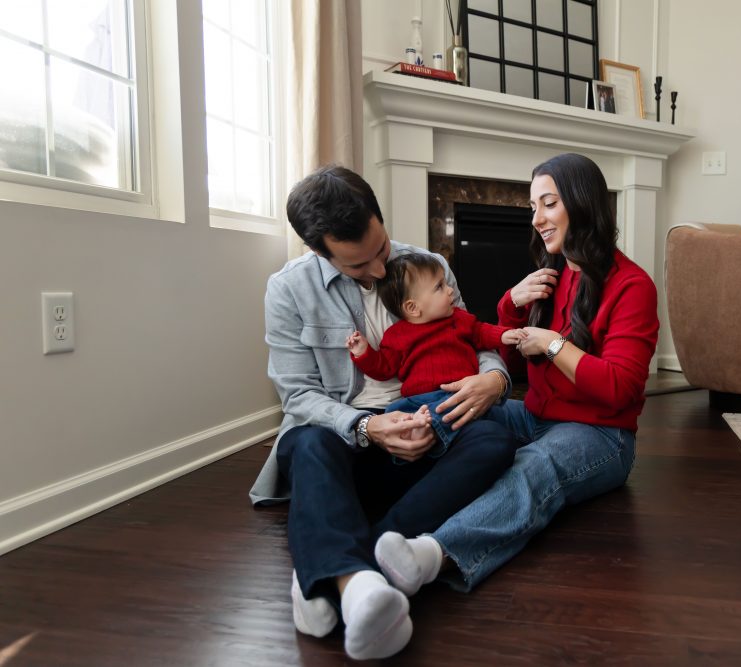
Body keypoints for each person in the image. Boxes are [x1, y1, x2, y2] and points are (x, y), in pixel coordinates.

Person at [249, 164, 517, 660]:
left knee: (496, 440)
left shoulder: (427, 265)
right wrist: (368, 427)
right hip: (347, 445)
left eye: (382, 250)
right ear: (319, 251)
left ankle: (344, 566)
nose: (378, 270)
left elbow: (474, 337)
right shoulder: (288, 290)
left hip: (427, 431)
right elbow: (298, 397)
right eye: (357, 265)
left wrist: (494, 378)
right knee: (306, 442)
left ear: (379, 216)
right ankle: (354, 582)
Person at [374, 152, 659, 597]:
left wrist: (550, 342)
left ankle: (431, 555)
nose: (537, 219)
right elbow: (507, 349)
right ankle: (381, 497)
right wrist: (510, 302)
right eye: (532, 208)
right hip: (534, 414)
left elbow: (620, 388)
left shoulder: (633, 286)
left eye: (548, 204)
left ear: (582, 205)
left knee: (533, 465)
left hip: (602, 435)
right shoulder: (553, 274)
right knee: (452, 409)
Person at [346, 253, 525, 460]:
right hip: (416, 400)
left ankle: (429, 430)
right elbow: (384, 367)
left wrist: (503, 334)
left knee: (454, 410)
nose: (450, 290)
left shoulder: (458, 319)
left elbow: (481, 332)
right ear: (413, 308)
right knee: (395, 410)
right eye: (439, 287)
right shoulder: (397, 335)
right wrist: (364, 353)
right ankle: (416, 432)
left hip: (457, 394)